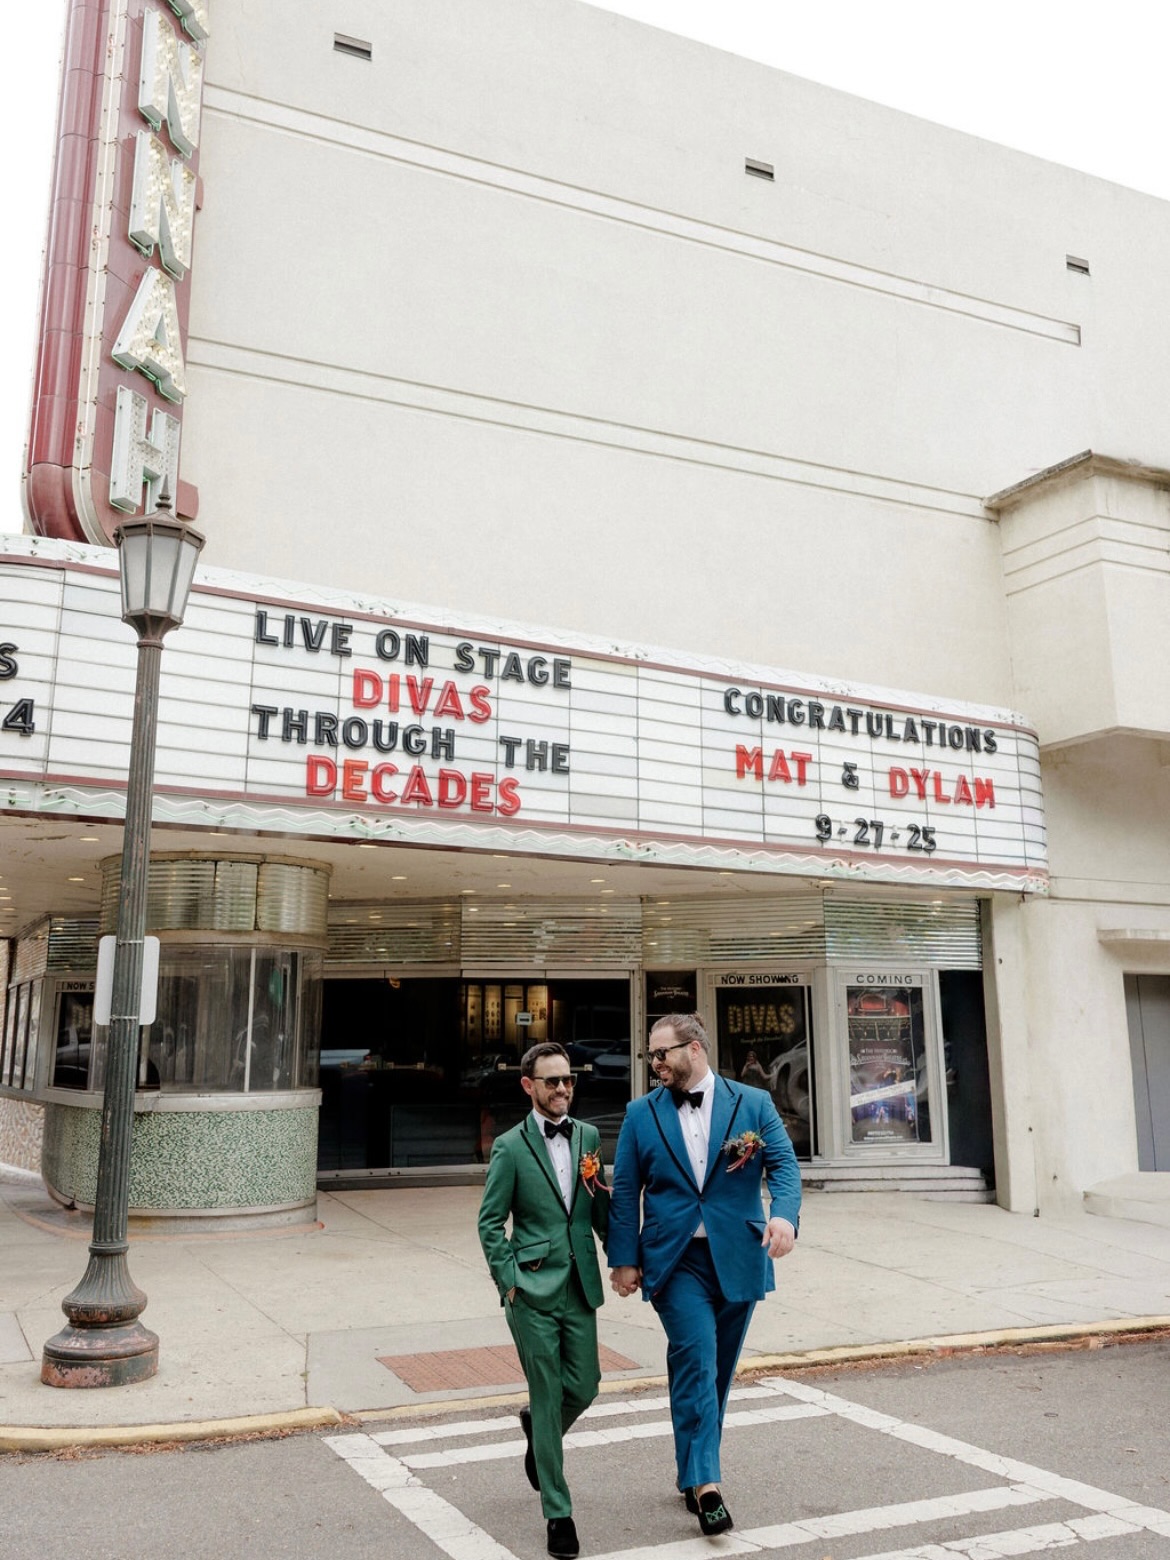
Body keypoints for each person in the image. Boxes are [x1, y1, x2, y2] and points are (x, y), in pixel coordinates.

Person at [607, 1011, 801, 1538]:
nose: (654, 1063)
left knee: (716, 1369)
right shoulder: (639, 1114)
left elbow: (783, 1165)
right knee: (696, 1356)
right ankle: (708, 1486)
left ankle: (690, 1470)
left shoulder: (753, 1103)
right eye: (651, 1055)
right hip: (675, 1261)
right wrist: (623, 1259)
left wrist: (783, 1214)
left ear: (694, 1050)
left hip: (738, 1255)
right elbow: (626, 1192)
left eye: (661, 1053)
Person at [477, 1042, 609, 1560]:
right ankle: (559, 1513)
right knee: (549, 1390)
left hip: (580, 1285)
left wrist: (623, 1259)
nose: (562, 1089)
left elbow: (598, 1208)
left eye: (568, 1080)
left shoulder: (589, 1137)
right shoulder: (510, 1146)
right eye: (552, 1081)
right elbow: (490, 1221)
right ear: (529, 1086)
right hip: (531, 1289)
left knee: (587, 1385)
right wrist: (508, 1282)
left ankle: (538, 1429)